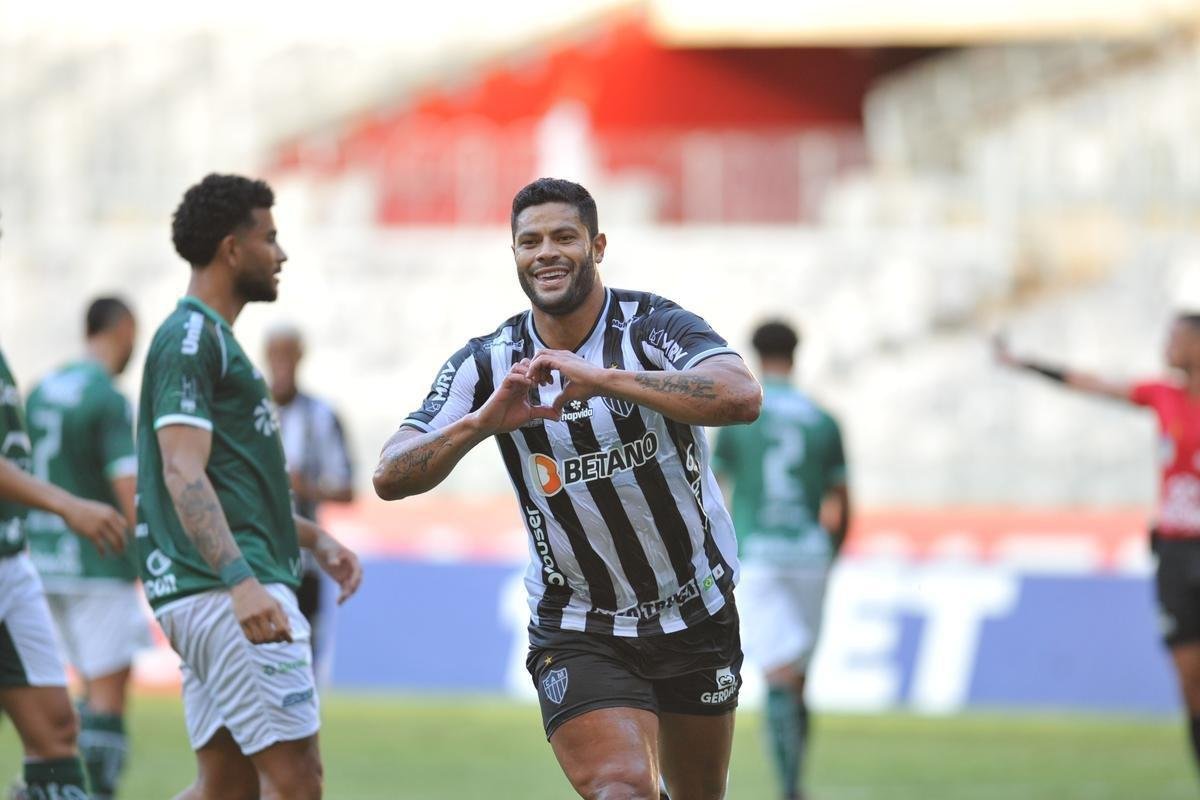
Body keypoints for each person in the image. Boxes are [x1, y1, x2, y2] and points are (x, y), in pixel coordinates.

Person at [374, 177, 762, 800]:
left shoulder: (651, 326)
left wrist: (606, 378)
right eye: (530, 242)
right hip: (579, 620)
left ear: (597, 246)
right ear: (514, 254)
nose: (546, 253)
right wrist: (479, 424)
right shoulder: (488, 362)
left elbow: (740, 396)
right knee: (622, 789)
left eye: (564, 237)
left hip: (694, 604)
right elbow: (390, 474)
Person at [136, 173, 362, 800]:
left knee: (226, 788)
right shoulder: (192, 338)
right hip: (229, 591)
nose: (280, 254)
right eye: (269, 238)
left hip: (220, 589)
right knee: (297, 782)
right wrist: (240, 582)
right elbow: (182, 471)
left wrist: (314, 539)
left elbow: (233, 488)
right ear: (232, 249)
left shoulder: (213, 341)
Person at [997, 316, 1200, 779]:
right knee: (1190, 680)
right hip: (1174, 552)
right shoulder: (1161, 394)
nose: (1166, 346)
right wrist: (1026, 364)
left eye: (1176, 338)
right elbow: (1090, 384)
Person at [711, 321, 850, 800]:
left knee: (776, 673)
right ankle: (795, 782)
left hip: (761, 554)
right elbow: (842, 500)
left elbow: (714, 492)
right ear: (796, 353)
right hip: (810, 554)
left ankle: (790, 788)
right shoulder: (823, 419)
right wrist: (829, 553)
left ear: (754, 353)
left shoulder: (740, 414)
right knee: (798, 676)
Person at [24, 297, 148, 800]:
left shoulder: (40, 390)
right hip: (99, 560)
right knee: (105, 702)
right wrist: (152, 557)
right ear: (123, 329)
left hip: (40, 562)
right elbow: (127, 487)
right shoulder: (107, 398)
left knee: (53, 706)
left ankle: (50, 787)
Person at [2, 354, 128, 799]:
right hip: (61, 559)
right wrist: (68, 505)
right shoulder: (103, 395)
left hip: (13, 557)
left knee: (57, 730)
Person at [264, 326, 354, 683]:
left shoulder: (321, 415)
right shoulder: (248, 410)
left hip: (304, 564)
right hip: (257, 558)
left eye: (289, 354)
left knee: (302, 662)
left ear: (300, 357)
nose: (282, 363)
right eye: (276, 354)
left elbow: (346, 488)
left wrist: (309, 489)